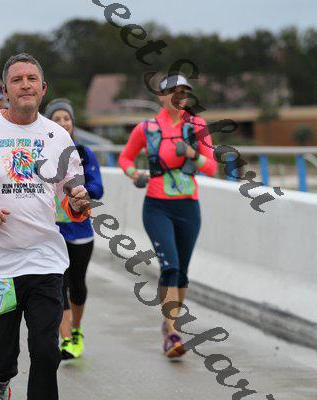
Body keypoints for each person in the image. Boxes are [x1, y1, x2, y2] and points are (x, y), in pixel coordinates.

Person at [0, 53, 91, 400]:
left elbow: (70, 196)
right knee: (1, 357)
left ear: (43, 88)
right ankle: (0, 381)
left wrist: (78, 205)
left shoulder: (58, 136)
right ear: (6, 91)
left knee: (46, 351)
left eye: (31, 79)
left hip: (44, 260)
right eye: (17, 80)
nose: (25, 85)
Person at [118, 74, 217, 358]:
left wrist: (192, 153)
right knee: (170, 267)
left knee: (181, 272)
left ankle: (169, 322)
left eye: (184, 91)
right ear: (161, 97)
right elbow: (125, 158)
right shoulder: (147, 128)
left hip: (188, 206)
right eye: (173, 91)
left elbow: (212, 168)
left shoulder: (197, 126)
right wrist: (134, 174)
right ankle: (173, 333)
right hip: (157, 207)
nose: (179, 96)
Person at [45, 98, 104, 360]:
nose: (62, 123)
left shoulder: (83, 153)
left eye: (66, 118)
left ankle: (76, 330)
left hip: (80, 232)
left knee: (77, 285)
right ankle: (67, 338)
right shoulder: (41, 153)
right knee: (57, 285)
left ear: (72, 122)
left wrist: (80, 192)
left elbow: (98, 188)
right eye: (56, 119)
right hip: (51, 232)